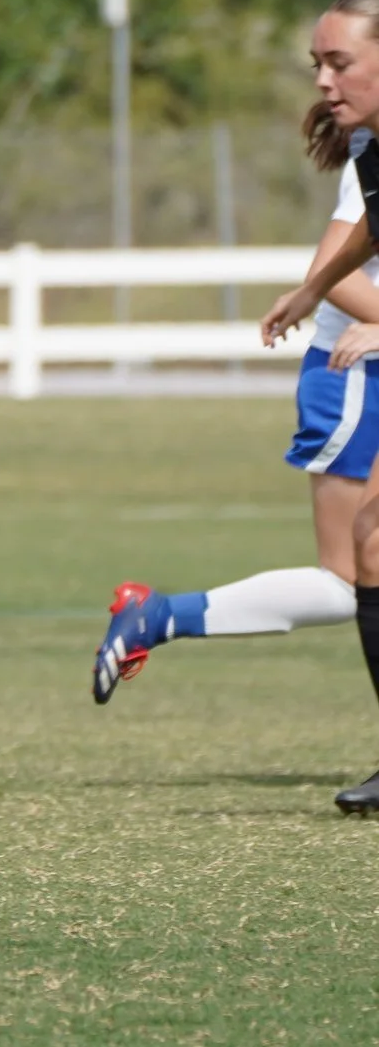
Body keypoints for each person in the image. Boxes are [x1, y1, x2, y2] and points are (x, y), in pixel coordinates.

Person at [93, 124, 379, 702]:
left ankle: (160, 616)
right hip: (358, 376)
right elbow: (335, 271)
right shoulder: (369, 160)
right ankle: (161, 616)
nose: (327, 78)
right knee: (349, 579)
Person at [249, 0, 379, 814]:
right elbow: (371, 227)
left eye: (341, 62)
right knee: (372, 548)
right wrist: (317, 290)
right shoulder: (372, 149)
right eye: (318, 64)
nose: (324, 82)